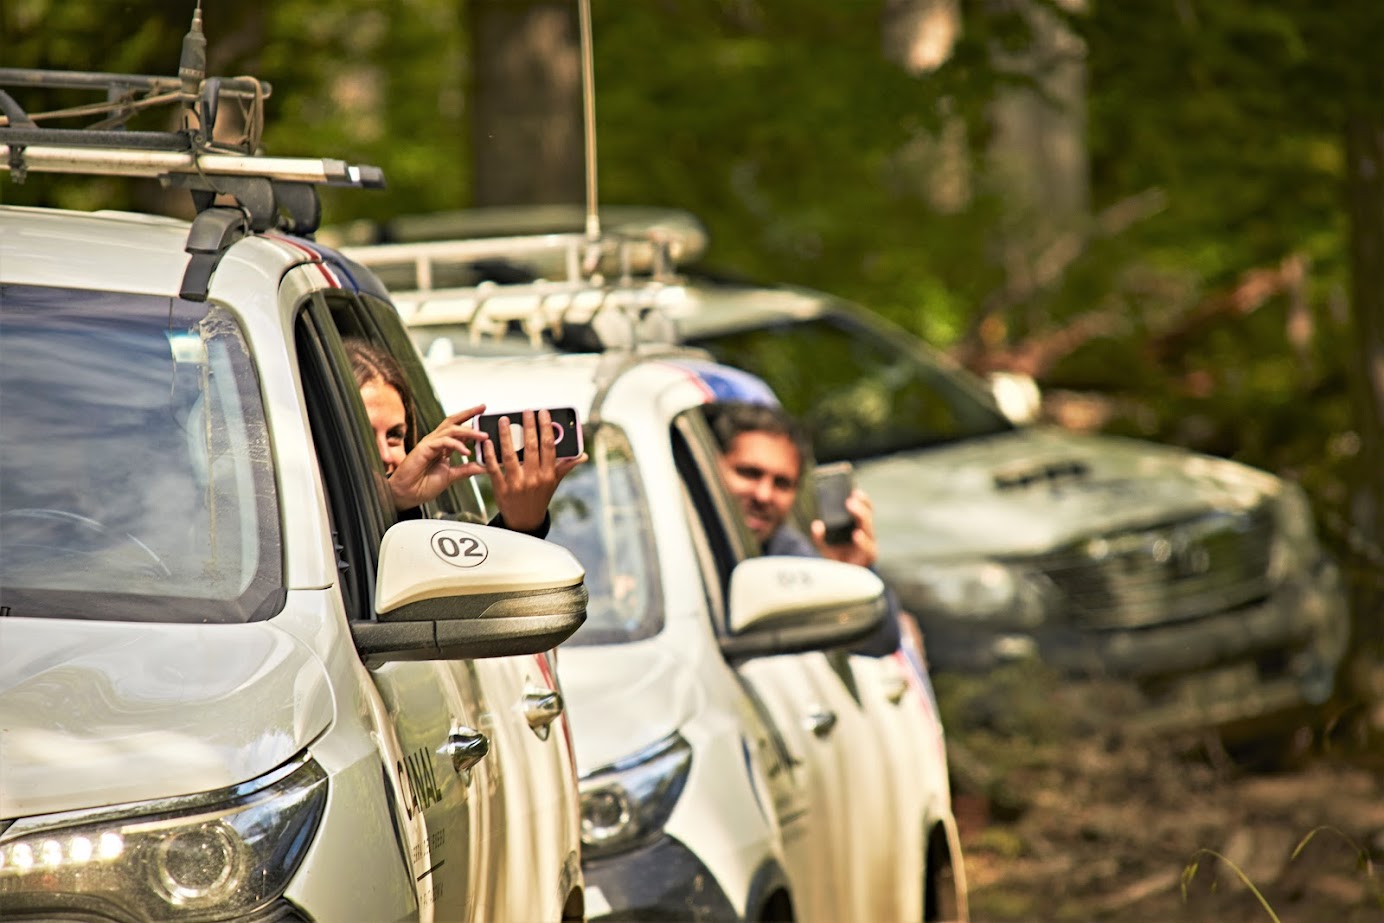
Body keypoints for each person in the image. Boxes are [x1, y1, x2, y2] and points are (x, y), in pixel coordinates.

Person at [705, 399, 901, 656]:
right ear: (710, 468)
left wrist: (851, 572)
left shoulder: (788, 554)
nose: (764, 495)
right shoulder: (664, 533)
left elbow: (880, 642)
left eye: (782, 484)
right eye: (749, 473)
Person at [345, 337, 584, 535]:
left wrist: (522, 525)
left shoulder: (447, 534)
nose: (385, 455)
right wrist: (390, 502)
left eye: (395, 436)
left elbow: (483, 587)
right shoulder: (312, 535)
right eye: (363, 435)